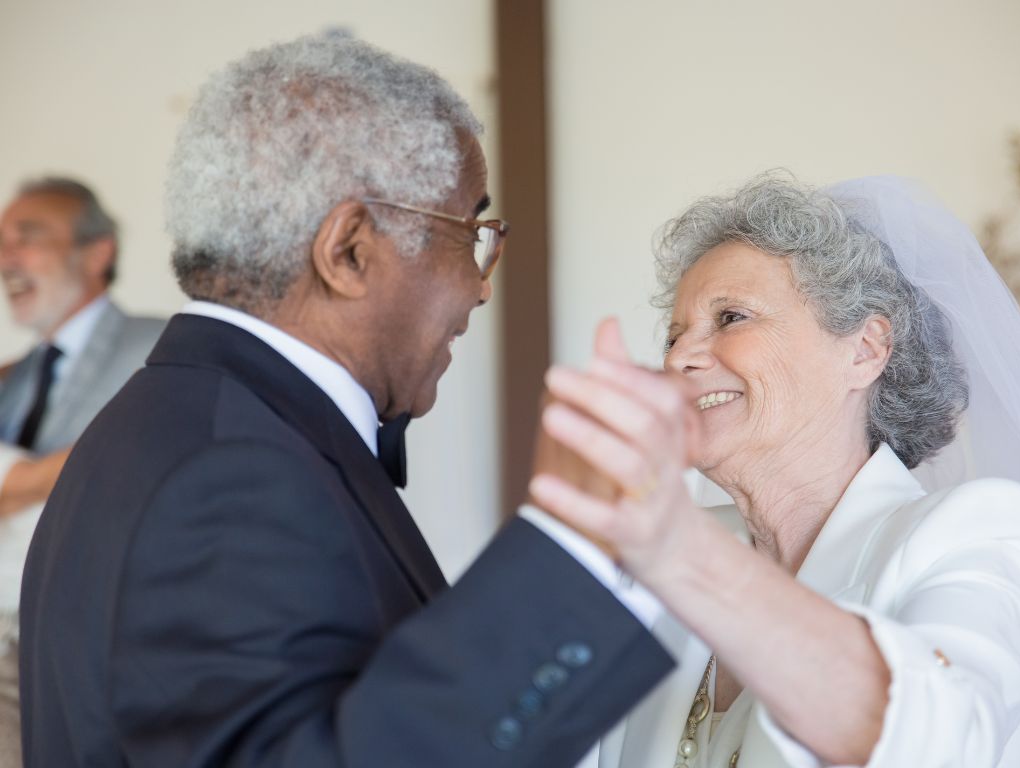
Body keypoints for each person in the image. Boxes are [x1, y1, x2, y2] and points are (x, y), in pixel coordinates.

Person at [19, 34, 674, 767]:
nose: (481, 284)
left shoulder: (185, 422)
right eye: (471, 233)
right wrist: (572, 554)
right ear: (350, 251)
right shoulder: (230, 473)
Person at [531, 175, 1020, 767]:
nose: (679, 358)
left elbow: (946, 743)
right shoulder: (643, 567)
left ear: (865, 350)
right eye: (674, 334)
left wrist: (678, 551)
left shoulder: (972, 531)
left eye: (731, 317)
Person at [0, 177, 164, 765]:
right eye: (0, 241)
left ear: (98, 252)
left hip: (113, 646)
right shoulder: (12, 376)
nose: (5, 257)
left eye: (28, 236)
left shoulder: (162, 346)